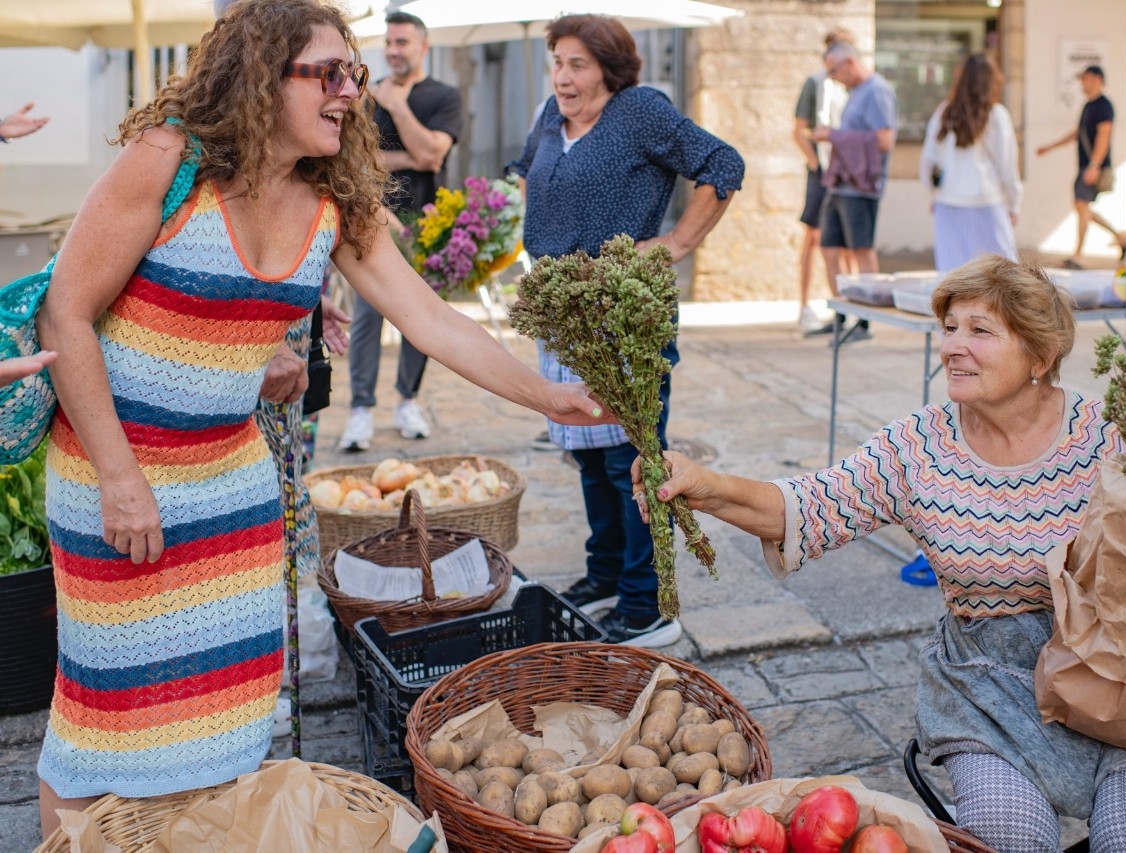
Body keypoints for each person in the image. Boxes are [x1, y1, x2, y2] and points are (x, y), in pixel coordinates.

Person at [32, 0, 607, 836]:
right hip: (112, 473)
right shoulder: (168, 162)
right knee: (103, 716)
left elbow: (431, 319)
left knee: (226, 716)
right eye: (329, 74)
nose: (349, 92)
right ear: (264, 78)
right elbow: (65, 314)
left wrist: (545, 392)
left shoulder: (336, 197)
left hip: (233, 486)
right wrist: (121, 479)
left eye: (355, 75)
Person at [635, 255, 1126, 851]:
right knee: (1012, 837)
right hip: (989, 693)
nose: (953, 348)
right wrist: (704, 486)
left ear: (1041, 354)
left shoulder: (1113, 438)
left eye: (980, 331)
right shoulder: (918, 446)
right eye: (949, 328)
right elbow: (804, 507)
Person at [508, 13, 743, 647]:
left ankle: (649, 608)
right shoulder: (549, 121)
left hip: (624, 311)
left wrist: (676, 242)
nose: (563, 75)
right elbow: (520, 177)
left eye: (577, 63)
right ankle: (607, 573)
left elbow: (722, 164)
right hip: (563, 313)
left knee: (630, 460)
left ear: (609, 69)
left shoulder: (639, 111)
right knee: (586, 454)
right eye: (557, 61)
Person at [338, 10, 464, 451]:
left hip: (428, 225)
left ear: (423, 46)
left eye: (402, 43)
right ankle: (361, 409)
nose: (393, 51)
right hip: (370, 218)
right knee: (369, 316)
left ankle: (407, 400)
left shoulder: (443, 97)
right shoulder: (362, 97)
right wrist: (410, 156)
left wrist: (397, 106)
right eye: (389, 43)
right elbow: (352, 161)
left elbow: (433, 155)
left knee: (421, 315)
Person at [812, 41, 896, 338]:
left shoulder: (877, 90)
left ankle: (865, 322)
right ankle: (842, 313)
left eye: (834, 71)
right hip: (840, 184)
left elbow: (884, 140)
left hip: (861, 187)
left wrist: (835, 136)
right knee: (829, 247)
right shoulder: (855, 92)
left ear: (849, 62)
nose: (834, 78)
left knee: (861, 250)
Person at [920, 54, 1022, 273]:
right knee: (1002, 278)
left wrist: (935, 193)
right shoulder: (996, 115)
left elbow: (929, 161)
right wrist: (1014, 203)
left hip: (948, 202)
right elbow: (1007, 166)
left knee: (953, 275)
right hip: (987, 201)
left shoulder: (945, 113)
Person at [792, 29, 853, 334]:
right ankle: (804, 304)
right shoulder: (815, 83)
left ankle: (846, 305)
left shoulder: (853, 87)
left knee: (844, 243)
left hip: (845, 172)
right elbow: (799, 129)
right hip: (822, 172)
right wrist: (817, 165)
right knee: (813, 239)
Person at [1035, 64, 1126, 269]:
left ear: (1096, 79)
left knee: (1082, 205)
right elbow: (1077, 133)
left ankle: (1078, 255)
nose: (1081, 83)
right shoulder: (1088, 105)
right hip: (1086, 165)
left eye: (1084, 79)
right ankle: (1120, 237)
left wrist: (1094, 165)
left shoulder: (1104, 106)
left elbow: (1104, 135)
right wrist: (1050, 147)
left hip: (1092, 166)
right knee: (1081, 207)